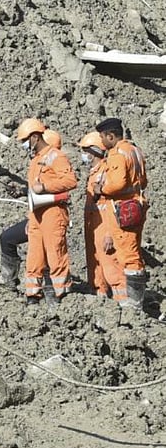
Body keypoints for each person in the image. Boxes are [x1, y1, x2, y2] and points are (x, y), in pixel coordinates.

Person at [0, 129, 63, 289]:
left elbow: (51, 195)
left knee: (44, 255)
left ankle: (48, 290)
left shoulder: (53, 166)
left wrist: (34, 220)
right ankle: (10, 279)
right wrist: (22, 191)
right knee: (7, 238)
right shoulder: (43, 165)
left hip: (47, 220)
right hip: (38, 217)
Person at [15, 118, 77, 304]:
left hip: (53, 213)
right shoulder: (36, 160)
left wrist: (46, 186)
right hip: (37, 215)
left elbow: (70, 181)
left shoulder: (55, 156)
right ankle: (33, 295)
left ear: (35, 137)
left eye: (26, 140)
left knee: (55, 255)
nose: (25, 144)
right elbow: (33, 190)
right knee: (34, 256)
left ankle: (62, 296)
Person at [92, 117, 148, 309]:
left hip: (124, 209)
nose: (102, 142)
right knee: (133, 250)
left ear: (111, 135)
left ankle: (134, 303)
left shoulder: (117, 154)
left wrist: (101, 188)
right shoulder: (134, 150)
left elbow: (117, 184)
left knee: (128, 255)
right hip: (136, 206)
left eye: (103, 137)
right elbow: (143, 180)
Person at [78, 131, 126, 301]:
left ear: (94, 151)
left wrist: (109, 234)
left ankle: (124, 303)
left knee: (111, 266)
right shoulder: (94, 173)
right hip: (93, 227)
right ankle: (101, 299)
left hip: (104, 228)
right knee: (96, 266)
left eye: (85, 151)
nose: (83, 155)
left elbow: (112, 207)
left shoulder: (106, 172)